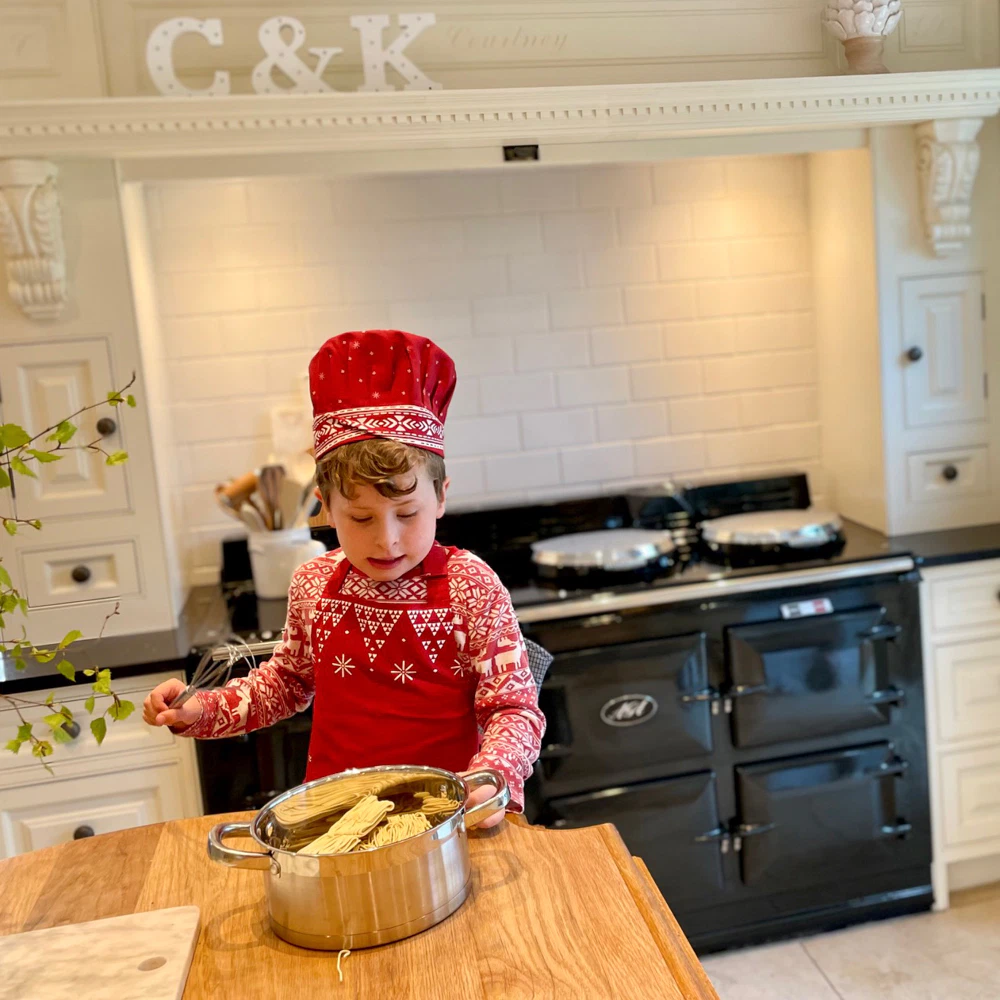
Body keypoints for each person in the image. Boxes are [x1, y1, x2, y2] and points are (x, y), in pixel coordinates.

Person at [143, 330, 545, 826]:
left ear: (441, 497)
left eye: (407, 514)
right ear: (325, 508)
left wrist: (492, 775)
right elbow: (286, 684)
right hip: (335, 819)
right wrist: (201, 710)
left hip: (447, 821)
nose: (387, 540)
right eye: (360, 518)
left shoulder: (471, 586)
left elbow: (513, 709)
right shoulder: (313, 583)